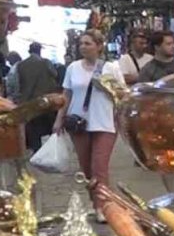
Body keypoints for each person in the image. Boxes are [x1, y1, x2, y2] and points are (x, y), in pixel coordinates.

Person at [53, 29, 126, 213]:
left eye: (88, 43)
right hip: (78, 123)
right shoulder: (73, 68)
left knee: (99, 167)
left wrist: (107, 87)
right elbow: (66, 95)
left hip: (105, 122)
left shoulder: (111, 68)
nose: (83, 47)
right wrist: (59, 119)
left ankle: (104, 207)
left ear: (99, 46)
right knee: (86, 168)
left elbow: (122, 94)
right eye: (81, 44)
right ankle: (96, 202)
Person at [16, 43, 62, 152]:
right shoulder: (45, 62)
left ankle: (37, 151)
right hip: (46, 100)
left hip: (29, 100)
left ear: (29, 51)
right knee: (49, 126)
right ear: (39, 51)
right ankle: (51, 150)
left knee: (34, 129)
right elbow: (55, 74)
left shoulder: (21, 65)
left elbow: (18, 83)